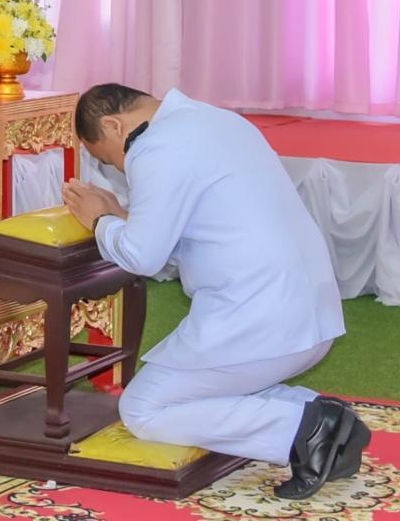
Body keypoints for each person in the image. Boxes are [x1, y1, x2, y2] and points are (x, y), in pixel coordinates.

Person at [61, 84, 368, 499]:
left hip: (261, 318)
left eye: (107, 158)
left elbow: (143, 257)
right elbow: (201, 226)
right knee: (209, 393)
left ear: (114, 125)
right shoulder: (219, 119)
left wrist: (100, 221)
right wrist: (122, 217)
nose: (117, 167)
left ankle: (304, 429)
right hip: (309, 312)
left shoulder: (154, 148)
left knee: (143, 408)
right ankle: (327, 419)